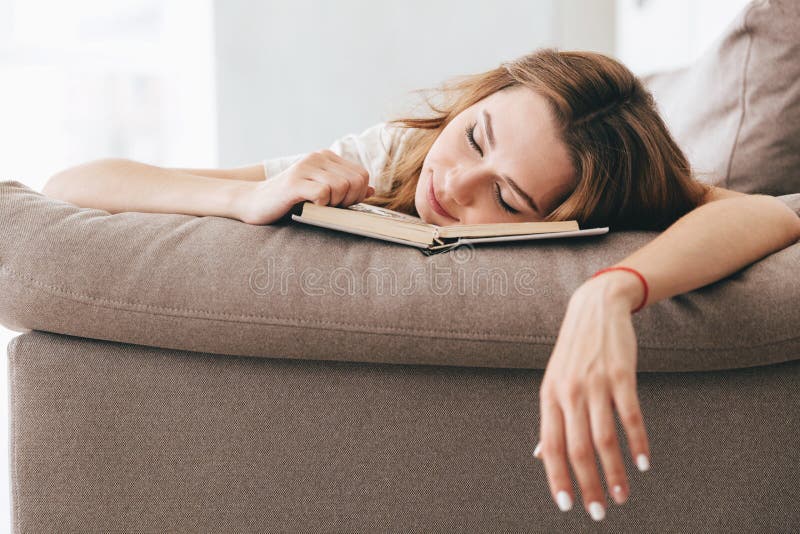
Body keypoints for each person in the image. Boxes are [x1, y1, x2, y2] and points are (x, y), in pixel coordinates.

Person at [42, 48, 800, 522]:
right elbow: (75, 184)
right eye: (474, 136)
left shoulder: (618, 206)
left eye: (507, 198)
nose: (455, 181)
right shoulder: (391, 155)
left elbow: (766, 212)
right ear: (474, 101)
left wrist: (612, 290)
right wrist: (245, 196)